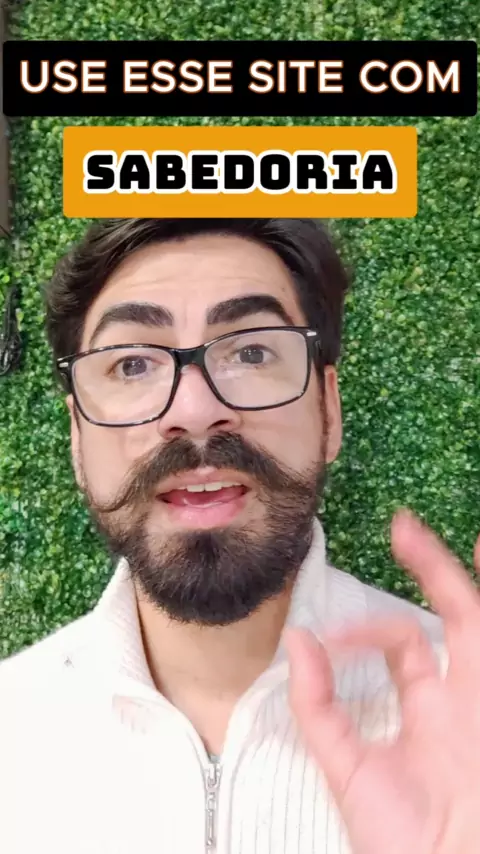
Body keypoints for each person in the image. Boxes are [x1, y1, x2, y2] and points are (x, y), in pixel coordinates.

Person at [0, 218, 478, 854]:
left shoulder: (463, 718)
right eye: (133, 364)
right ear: (76, 439)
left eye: (252, 353)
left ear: (329, 410)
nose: (195, 411)